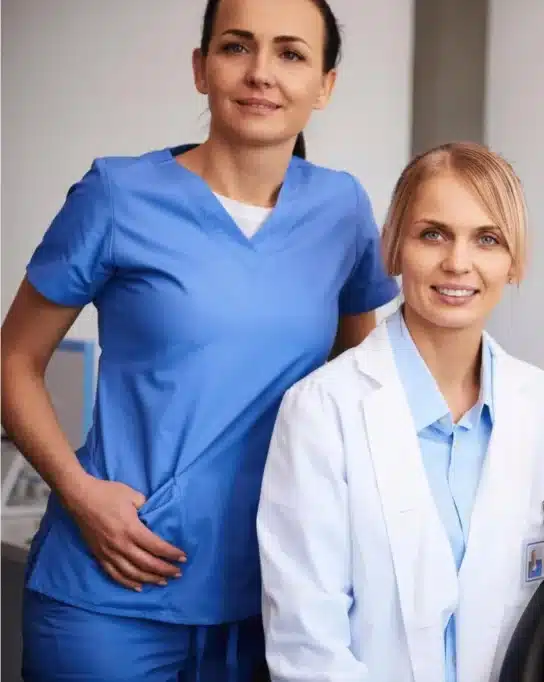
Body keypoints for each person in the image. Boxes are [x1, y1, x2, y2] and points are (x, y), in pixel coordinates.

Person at [0, 0, 399, 679]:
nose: (261, 73)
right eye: (236, 47)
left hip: (271, 595)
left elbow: (359, 380)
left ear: (325, 86)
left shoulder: (341, 210)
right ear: (201, 68)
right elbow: (14, 358)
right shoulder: (117, 195)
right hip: (111, 589)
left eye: (291, 53)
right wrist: (77, 490)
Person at [257, 141, 544, 682]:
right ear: (395, 248)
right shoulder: (322, 410)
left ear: (514, 262)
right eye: (432, 234)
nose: (458, 262)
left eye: (487, 239)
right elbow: (306, 644)